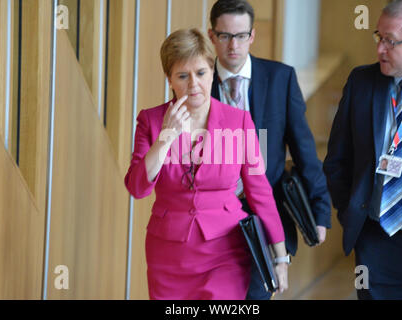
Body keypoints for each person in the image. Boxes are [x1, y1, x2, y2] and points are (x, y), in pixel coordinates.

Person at [124, 28, 289, 300]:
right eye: (182, 76)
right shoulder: (151, 121)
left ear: (212, 72)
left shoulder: (239, 122)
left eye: (200, 73)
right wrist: (166, 138)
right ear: (169, 79)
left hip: (225, 252)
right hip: (168, 254)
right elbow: (138, 188)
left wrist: (281, 257)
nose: (193, 85)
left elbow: (260, 192)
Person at [208, 0, 331, 300]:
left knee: (255, 297)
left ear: (252, 35)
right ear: (212, 36)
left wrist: (321, 208)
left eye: (240, 36)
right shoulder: (199, 83)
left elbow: (303, 148)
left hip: (266, 215)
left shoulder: (280, 79)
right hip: (213, 217)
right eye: (224, 36)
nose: (233, 46)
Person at [323, 0, 402, 299]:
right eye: (379, 37)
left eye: (390, 41)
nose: (379, 49)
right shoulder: (362, 82)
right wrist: (353, 219)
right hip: (379, 245)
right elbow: (337, 160)